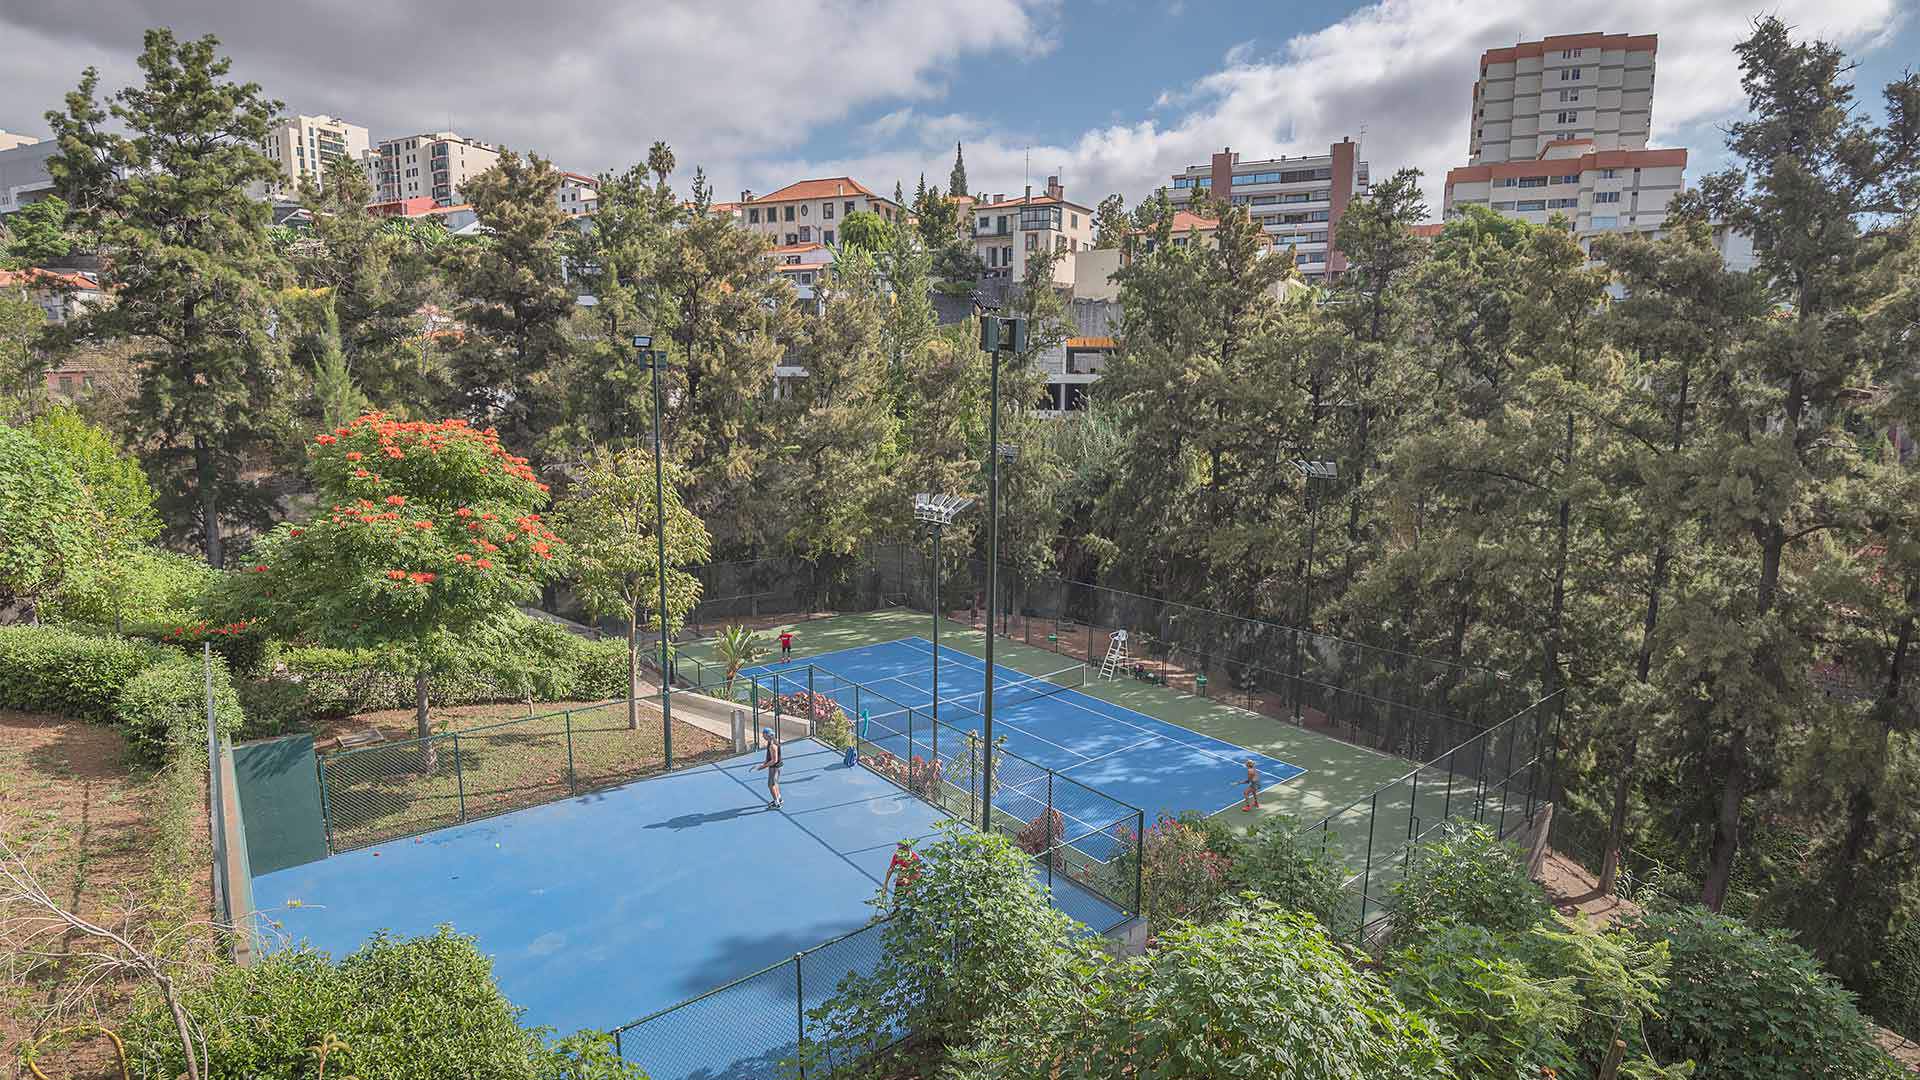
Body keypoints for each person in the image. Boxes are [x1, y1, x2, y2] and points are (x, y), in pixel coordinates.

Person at [754, 727, 783, 809]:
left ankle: (777, 804)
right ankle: (779, 798)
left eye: (764, 735)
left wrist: (762, 767)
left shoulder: (772, 745)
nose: (763, 737)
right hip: (777, 767)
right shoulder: (772, 742)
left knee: (770, 785)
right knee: (775, 783)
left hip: (774, 768)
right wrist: (764, 763)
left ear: (768, 735)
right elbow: (769, 757)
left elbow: (774, 760)